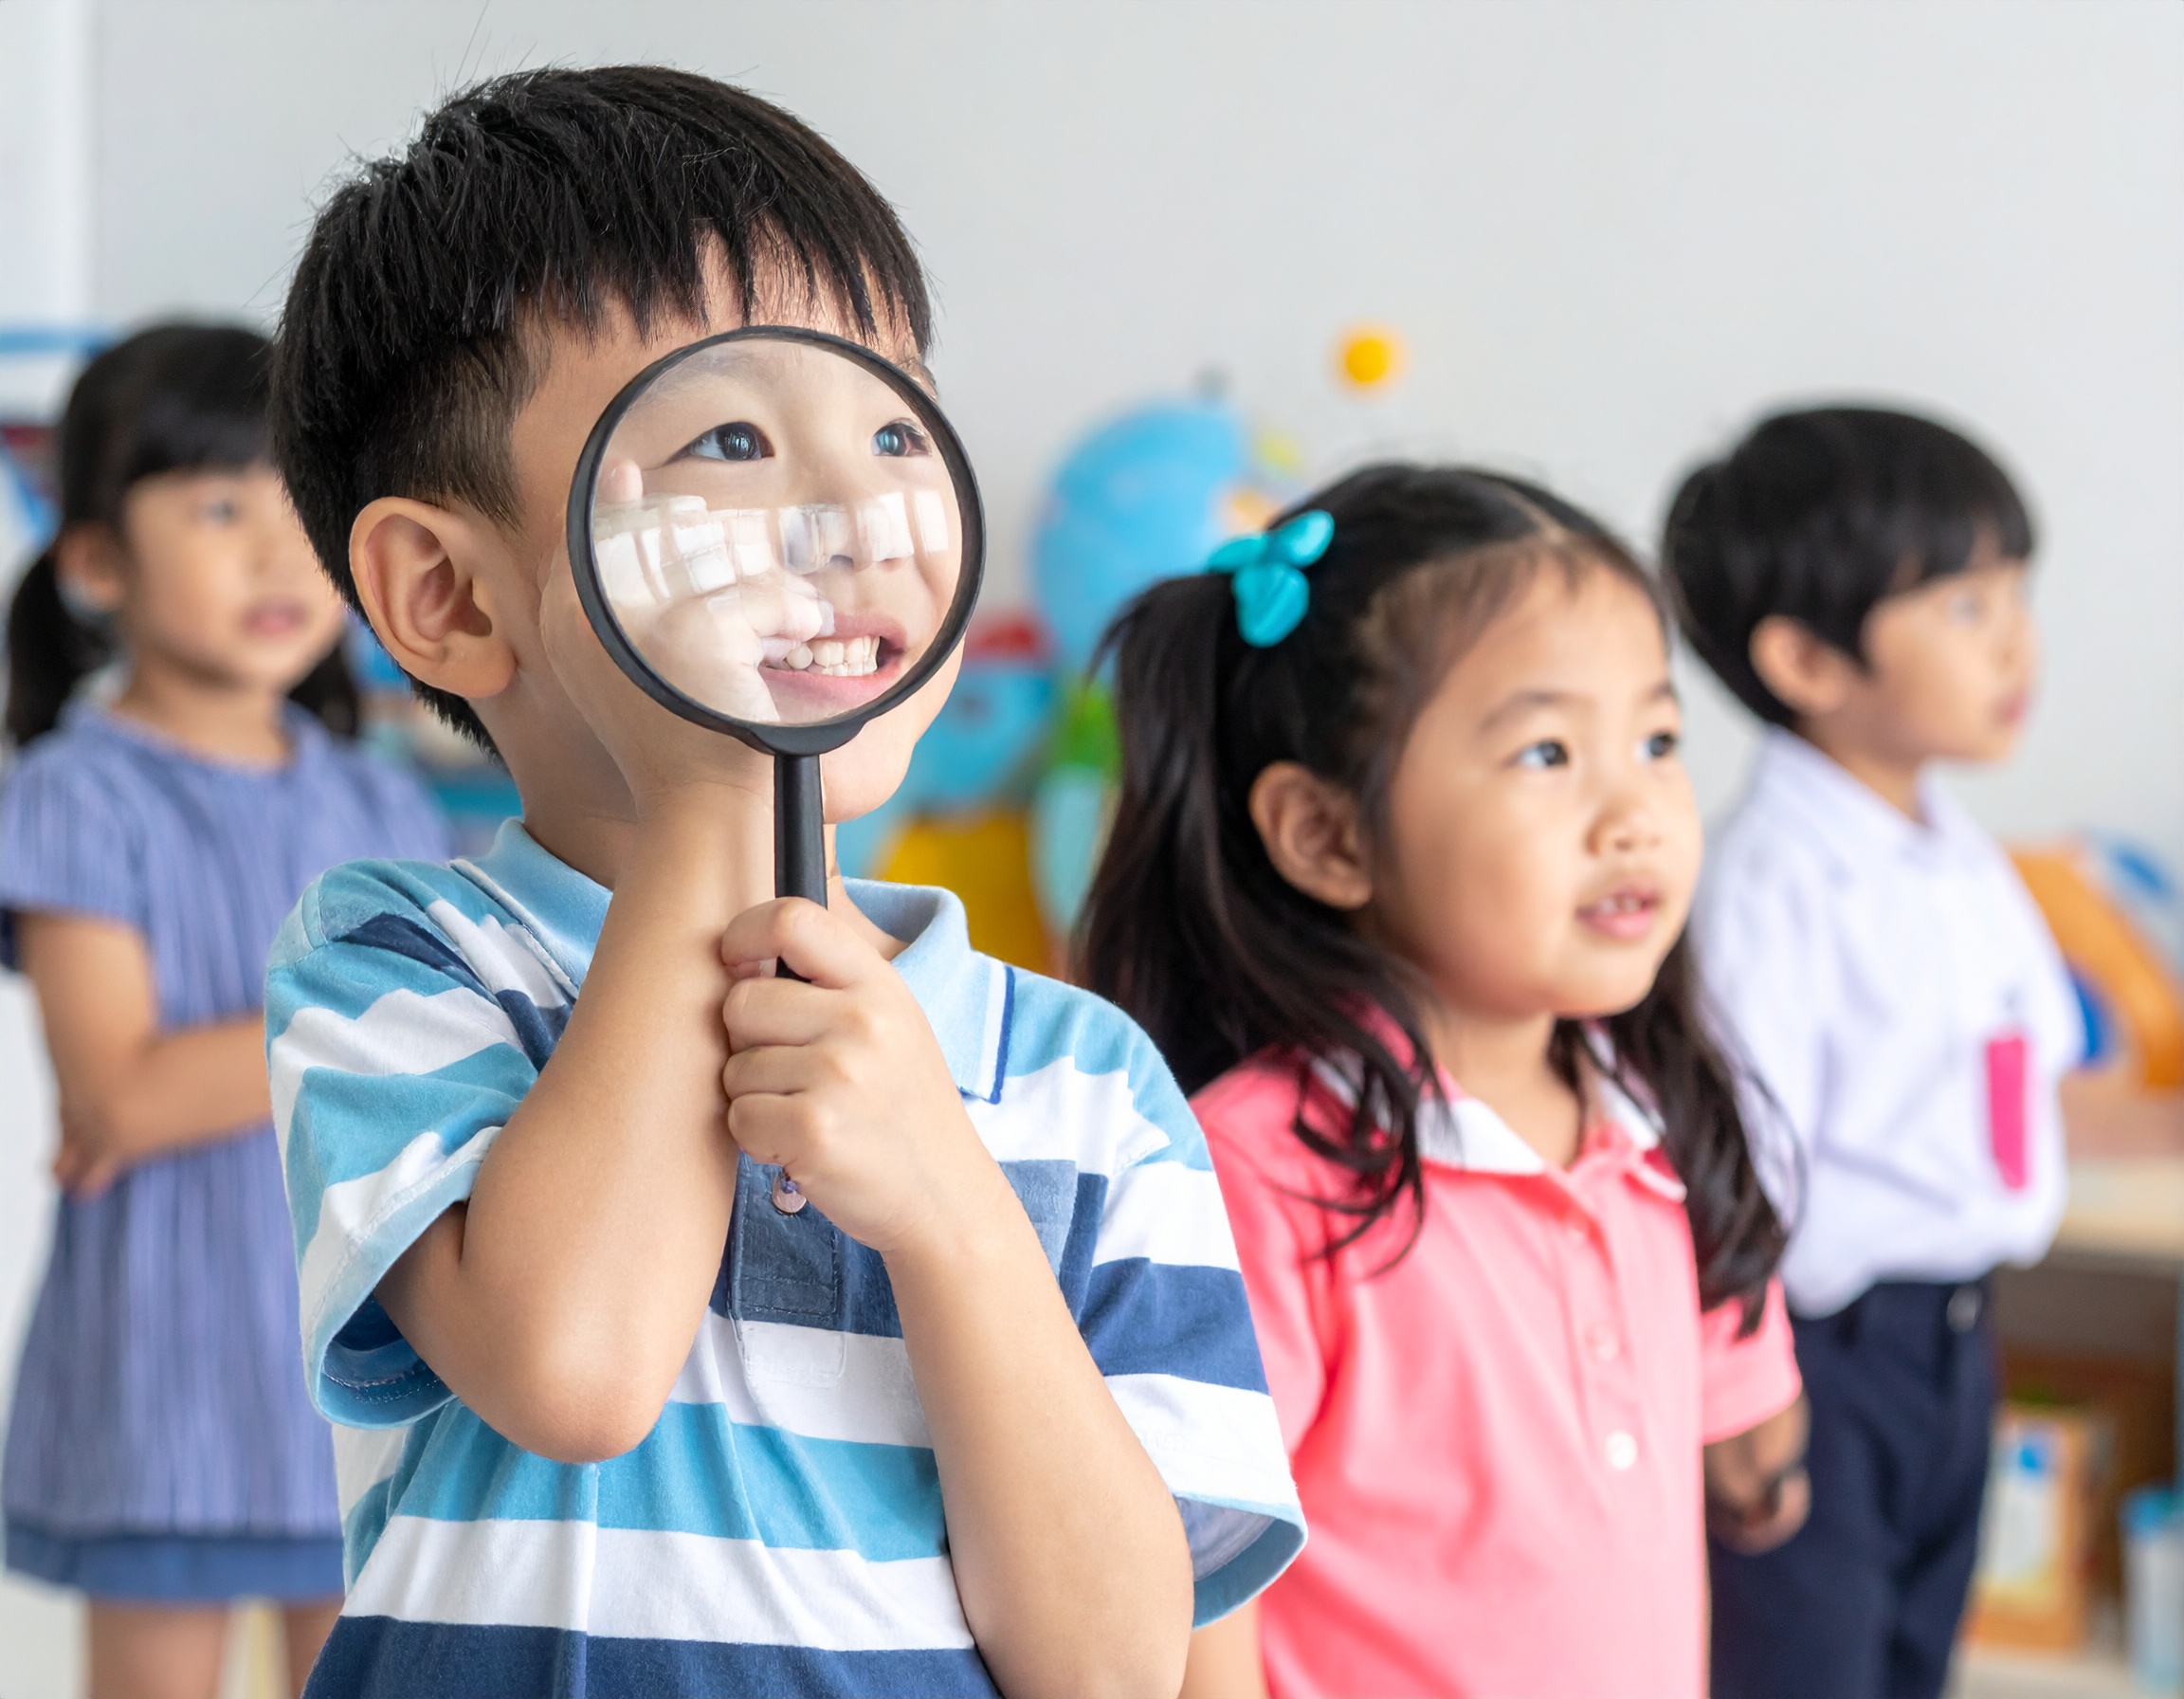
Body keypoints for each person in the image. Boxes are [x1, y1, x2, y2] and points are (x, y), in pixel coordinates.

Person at [262, 66, 1303, 1699]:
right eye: (733, 438)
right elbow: (574, 1369)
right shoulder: (401, 964)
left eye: (897, 430)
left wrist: (951, 1204)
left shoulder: (1090, 1084)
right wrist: (709, 797)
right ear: (449, 598)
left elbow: (1116, 1670)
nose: (853, 514)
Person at [1081, 464, 1810, 1699]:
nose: (1634, 810)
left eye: (1656, 740)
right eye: (1546, 751)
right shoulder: (1258, 1173)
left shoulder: (1648, 1117)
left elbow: (1743, 1431)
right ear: (1330, 835)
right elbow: (1195, 1586)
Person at [0, 323, 448, 1699]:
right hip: (168, 1362)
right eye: (216, 507)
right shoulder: (81, 793)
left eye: (297, 511)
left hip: (359, 1352)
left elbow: (452, 1043)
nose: (274, 553)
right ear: (95, 566)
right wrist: (362, 1023)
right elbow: (121, 1095)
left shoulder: (376, 798)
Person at [1664, 407, 2079, 1699]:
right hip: (1829, 1359)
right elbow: (1733, 1162)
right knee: (1809, 1667)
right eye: (1965, 606)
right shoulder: (1772, 884)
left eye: (2015, 592)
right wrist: (1746, 1387)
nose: (2016, 639)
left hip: (1957, 1345)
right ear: (1806, 658)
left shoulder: (1958, 855)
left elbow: (2023, 1074)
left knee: (1913, 1659)